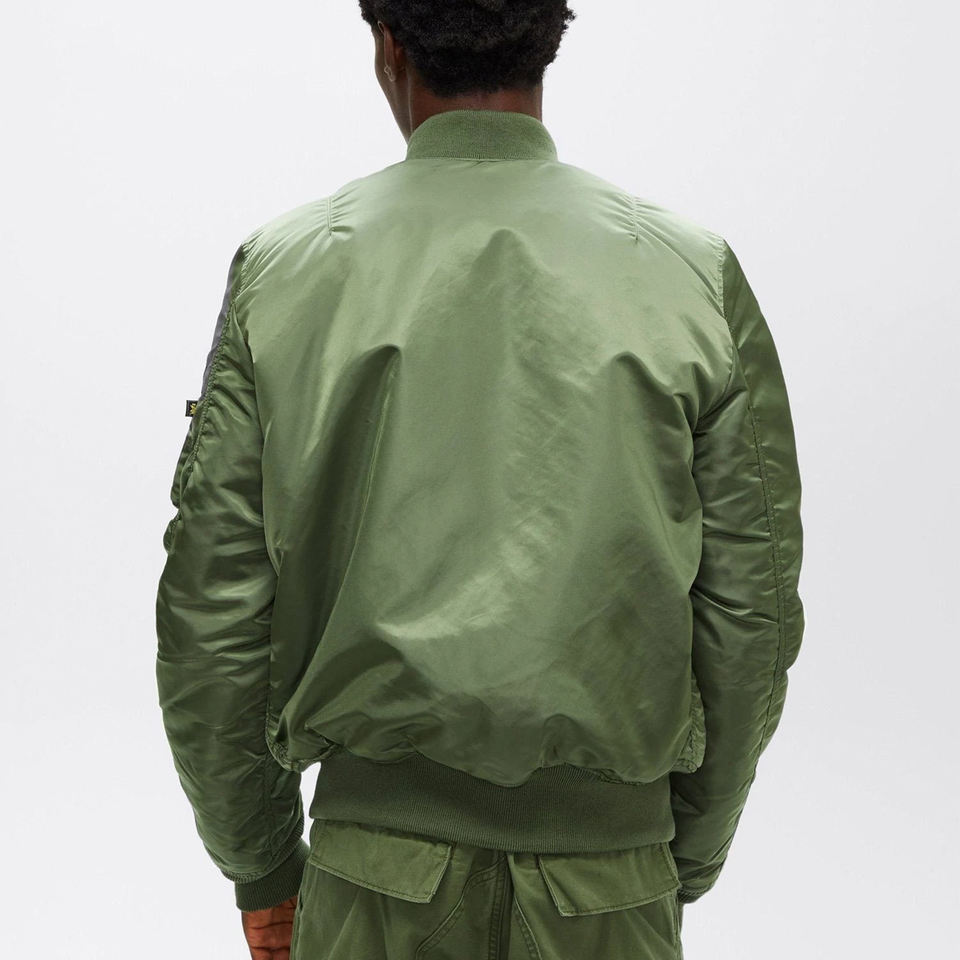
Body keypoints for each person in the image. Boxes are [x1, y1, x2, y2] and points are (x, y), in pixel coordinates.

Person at [155, 2, 805, 957]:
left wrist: (261, 864)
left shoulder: (286, 270)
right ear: (551, 38)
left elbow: (213, 610)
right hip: (613, 876)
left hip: (371, 882)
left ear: (389, 45)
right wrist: (680, 851)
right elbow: (751, 611)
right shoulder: (688, 274)